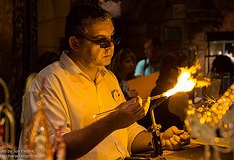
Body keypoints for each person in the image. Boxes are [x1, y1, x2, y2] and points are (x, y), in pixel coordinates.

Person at [20, 4, 190, 159]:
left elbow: (128, 133)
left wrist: (157, 139)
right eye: (101, 41)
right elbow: (54, 150)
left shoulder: (108, 77)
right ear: (75, 43)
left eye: (112, 38)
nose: (110, 46)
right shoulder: (49, 83)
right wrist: (111, 121)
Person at [138, 52, 190, 132]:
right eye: (184, 68)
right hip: (171, 136)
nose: (188, 72)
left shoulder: (156, 88)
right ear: (173, 71)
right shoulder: (177, 92)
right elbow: (188, 115)